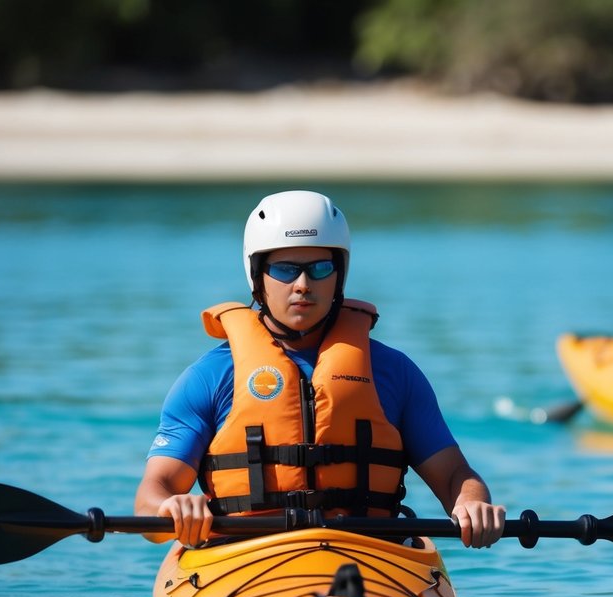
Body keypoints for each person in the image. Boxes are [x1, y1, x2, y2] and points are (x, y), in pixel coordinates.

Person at [135, 190, 506, 550]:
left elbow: (456, 475)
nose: (302, 285)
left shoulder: (395, 373)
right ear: (258, 276)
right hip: (243, 553)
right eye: (284, 269)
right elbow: (153, 495)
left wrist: (471, 502)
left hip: (370, 552)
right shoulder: (210, 377)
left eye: (319, 268)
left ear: (339, 276)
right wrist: (170, 507)